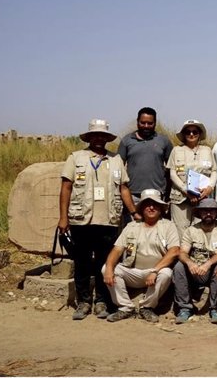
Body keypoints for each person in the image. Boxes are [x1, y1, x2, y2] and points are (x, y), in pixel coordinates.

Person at [58, 119, 139, 320]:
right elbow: (66, 188)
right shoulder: (76, 158)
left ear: (107, 139)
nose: (99, 139)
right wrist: (62, 218)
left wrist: (134, 212)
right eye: (95, 135)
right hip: (81, 220)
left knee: (104, 264)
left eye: (102, 136)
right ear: (89, 137)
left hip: (109, 221)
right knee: (82, 262)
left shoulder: (116, 160)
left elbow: (124, 189)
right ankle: (84, 302)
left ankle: (102, 301)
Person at [102, 189, 180, 323]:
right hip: (133, 271)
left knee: (166, 273)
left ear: (161, 208)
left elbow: (174, 251)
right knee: (106, 269)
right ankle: (125, 307)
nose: (151, 207)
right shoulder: (131, 226)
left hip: (155, 272)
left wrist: (155, 270)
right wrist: (109, 268)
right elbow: (117, 250)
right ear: (142, 208)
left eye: (155, 204)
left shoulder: (168, 226)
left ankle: (147, 307)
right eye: (147, 204)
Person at [172, 198, 217, 324]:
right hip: (194, 269)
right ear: (199, 213)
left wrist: (208, 264)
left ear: (216, 213)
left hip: (211, 268)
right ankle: (185, 308)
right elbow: (182, 252)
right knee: (178, 266)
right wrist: (190, 263)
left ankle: (215, 308)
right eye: (205, 211)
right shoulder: (191, 230)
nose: (208, 214)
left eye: (212, 211)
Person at [117, 107, 173, 213]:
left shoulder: (164, 141)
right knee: (133, 228)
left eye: (150, 123)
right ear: (137, 122)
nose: (146, 126)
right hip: (133, 195)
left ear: (155, 123)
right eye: (143, 123)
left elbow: (171, 169)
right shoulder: (126, 141)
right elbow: (118, 169)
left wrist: (168, 194)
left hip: (157, 196)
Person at [166, 120, 217, 237]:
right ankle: (181, 255)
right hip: (180, 198)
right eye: (188, 132)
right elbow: (172, 173)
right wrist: (186, 191)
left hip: (202, 197)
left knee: (201, 229)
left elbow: (214, 171)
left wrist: (210, 187)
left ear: (199, 134)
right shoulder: (176, 150)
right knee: (180, 231)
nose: (191, 134)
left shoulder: (207, 150)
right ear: (183, 134)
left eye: (195, 132)